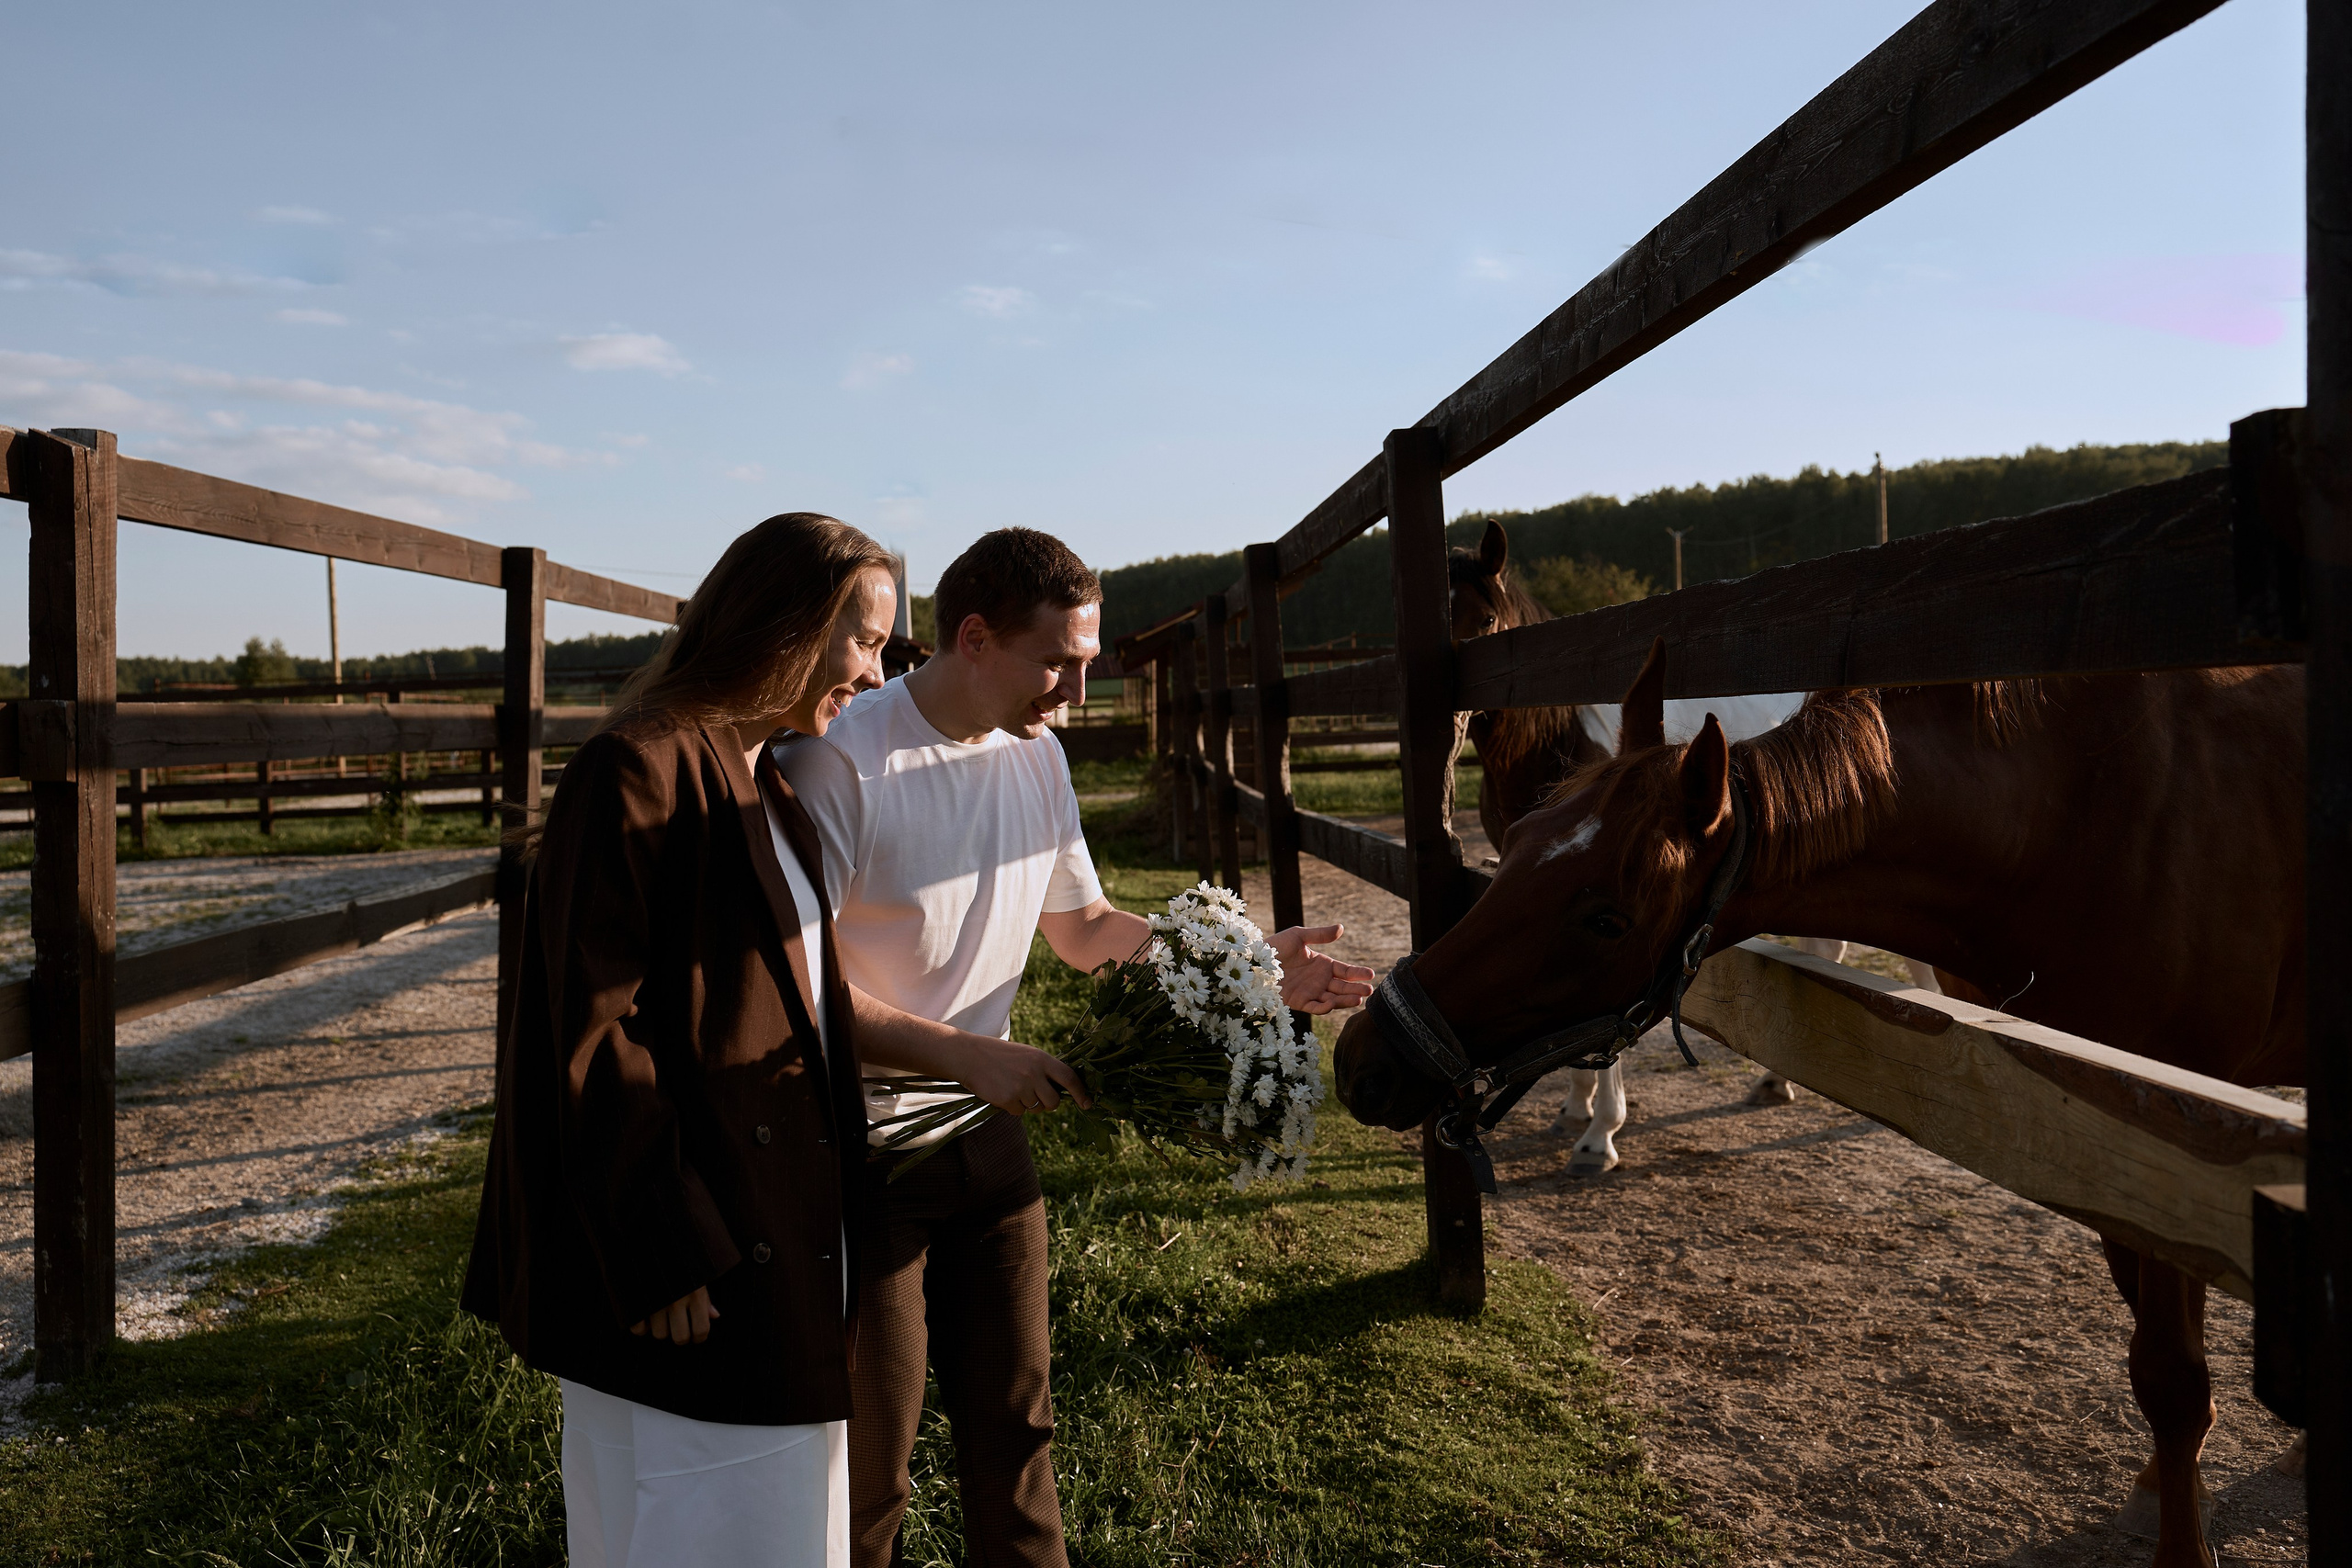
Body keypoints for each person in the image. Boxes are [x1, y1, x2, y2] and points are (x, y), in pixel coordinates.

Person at [464, 513, 1085, 1568]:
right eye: (863, 641)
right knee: (707, 1523)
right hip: (696, 1257)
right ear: (783, 628)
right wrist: (660, 1251)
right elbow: (587, 1030)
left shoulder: (764, 777)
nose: (879, 669)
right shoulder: (636, 769)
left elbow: (801, 996)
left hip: (775, 1229)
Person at [777, 526, 1374, 1568]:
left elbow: (1085, 928)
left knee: (1018, 1434)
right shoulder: (840, 759)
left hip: (987, 1135)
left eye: (1086, 665)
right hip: (861, 1154)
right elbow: (800, 996)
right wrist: (969, 1058)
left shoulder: (1039, 756)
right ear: (972, 637)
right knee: (871, 1464)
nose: (1076, 694)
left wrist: (1240, 963)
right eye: (1058, 663)